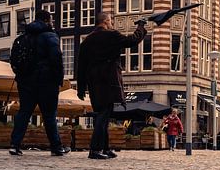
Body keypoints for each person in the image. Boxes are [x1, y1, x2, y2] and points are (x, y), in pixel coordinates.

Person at [77, 12, 146, 159]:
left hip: (94, 82)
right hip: (109, 81)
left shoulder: (86, 41)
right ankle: (94, 150)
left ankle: (106, 148)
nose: (112, 24)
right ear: (106, 21)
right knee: (103, 115)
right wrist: (141, 26)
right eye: (111, 21)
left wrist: (81, 87)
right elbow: (132, 40)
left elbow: (81, 66)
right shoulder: (111, 35)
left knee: (104, 114)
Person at [9, 10, 70, 157]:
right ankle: (56, 147)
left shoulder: (22, 38)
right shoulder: (50, 36)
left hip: (25, 82)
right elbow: (56, 59)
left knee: (24, 112)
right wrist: (58, 79)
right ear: (47, 20)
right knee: (49, 115)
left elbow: (14, 60)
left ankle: (14, 145)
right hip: (46, 82)